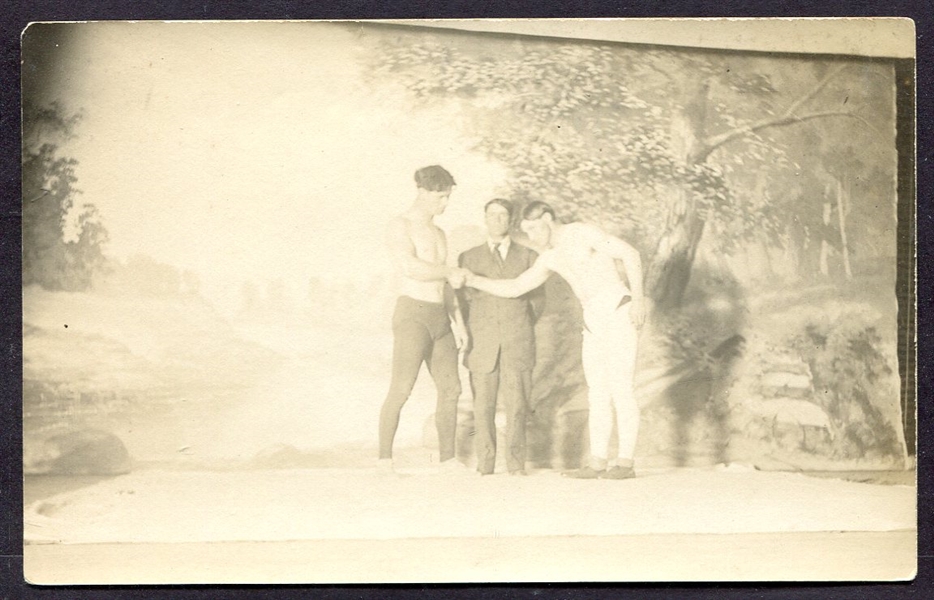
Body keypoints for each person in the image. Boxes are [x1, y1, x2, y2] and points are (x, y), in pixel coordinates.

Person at [463, 201, 646, 479]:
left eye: (535, 229)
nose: (532, 237)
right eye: (527, 231)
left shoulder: (582, 232)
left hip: (619, 308)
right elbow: (515, 287)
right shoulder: (550, 257)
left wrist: (639, 300)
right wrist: (473, 280)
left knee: (620, 388)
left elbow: (630, 253)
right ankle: (597, 461)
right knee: (597, 391)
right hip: (593, 319)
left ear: (548, 218)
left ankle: (626, 462)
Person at [378, 165, 469, 474]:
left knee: (452, 389)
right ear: (423, 192)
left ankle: (447, 460)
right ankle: (384, 460)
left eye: (448, 197)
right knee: (402, 388)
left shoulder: (440, 233)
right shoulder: (400, 225)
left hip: (440, 316)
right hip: (412, 314)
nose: (445, 204)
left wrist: (460, 325)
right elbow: (410, 267)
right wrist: (448, 272)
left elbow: (446, 286)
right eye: (441, 197)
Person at [457, 199, 545, 476]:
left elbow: (537, 303)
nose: (496, 219)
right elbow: (463, 301)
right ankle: (486, 466)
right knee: (482, 408)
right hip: (482, 343)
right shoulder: (467, 258)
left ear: (510, 220)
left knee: (518, 406)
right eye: (491, 215)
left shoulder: (529, 256)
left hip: (517, 340)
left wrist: (516, 324)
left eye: (502, 215)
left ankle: (516, 466)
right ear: (485, 218)